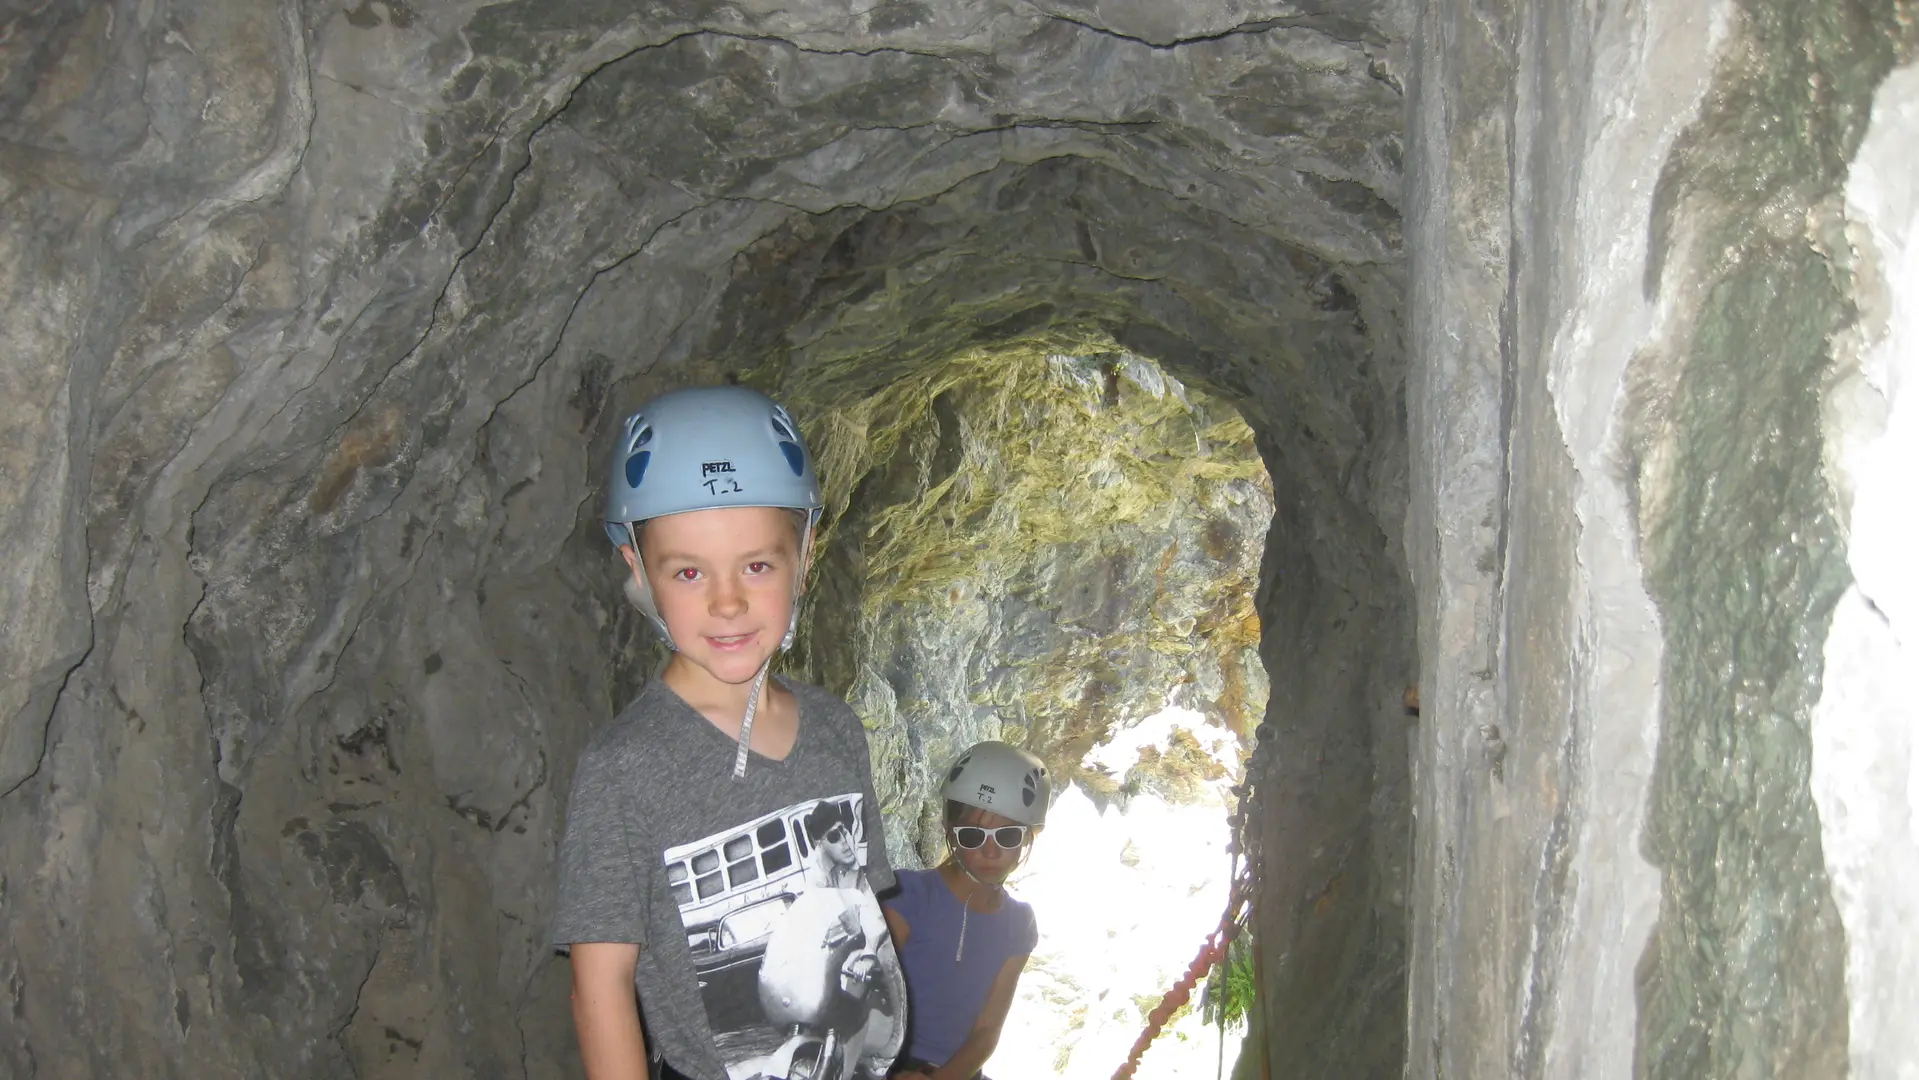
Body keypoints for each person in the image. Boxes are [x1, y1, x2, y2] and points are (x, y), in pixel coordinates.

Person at [552, 386, 904, 1080]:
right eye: (688, 572)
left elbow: (868, 909)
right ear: (638, 572)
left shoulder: (835, 729)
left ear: (803, 553)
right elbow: (599, 987)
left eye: (757, 564)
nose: (727, 601)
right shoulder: (623, 768)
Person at [883, 742, 1051, 1080]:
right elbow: (863, 1001)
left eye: (1007, 836)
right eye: (974, 835)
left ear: (1027, 838)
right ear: (952, 834)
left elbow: (987, 1031)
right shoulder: (906, 895)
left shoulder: (1019, 923)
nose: (991, 851)